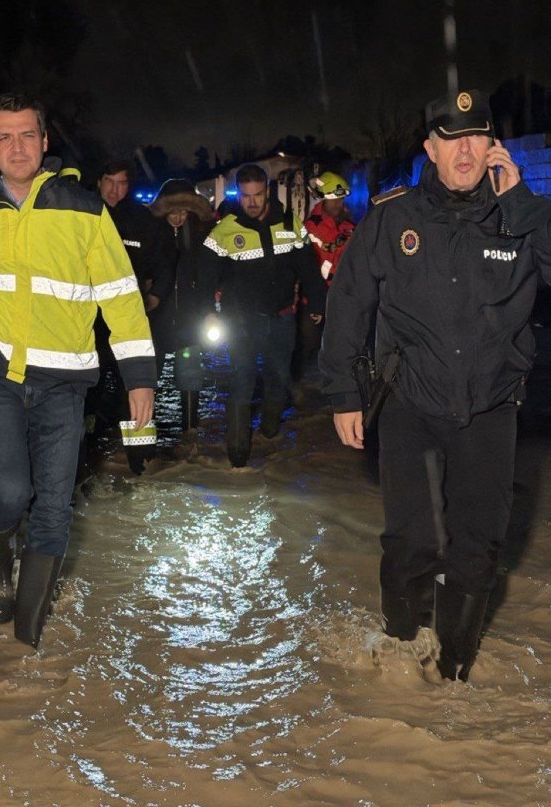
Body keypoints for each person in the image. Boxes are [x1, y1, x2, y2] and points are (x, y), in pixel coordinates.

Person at [319, 87, 551, 681]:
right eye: (452, 139)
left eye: (477, 137)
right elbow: (349, 303)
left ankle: (452, 676)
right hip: (412, 405)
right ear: (431, 148)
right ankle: (400, 647)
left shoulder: (522, 216)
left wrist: (523, 204)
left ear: (493, 146)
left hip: (492, 407)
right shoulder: (394, 217)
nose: (465, 150)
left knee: (477, 547)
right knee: (412, 540)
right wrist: (344, 393)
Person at [0, 93, 156, 649]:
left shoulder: (85, 210)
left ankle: (28, 642)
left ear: (45, 143)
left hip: (65, 378)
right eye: (5, 136)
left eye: (27, 135)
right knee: (9, 489)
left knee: (54, 501)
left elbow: (121, 297)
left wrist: (139, 375)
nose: (17, 146)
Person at [198, 163, 326, 467]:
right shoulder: (225, 230)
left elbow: (308, 267)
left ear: (267, 191)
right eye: (245, 196)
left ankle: (269, 433)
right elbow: (205, 276)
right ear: (237, 194)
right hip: (242, 323)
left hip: (282, 319)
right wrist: (207, 312)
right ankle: (238, 459)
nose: (252, 202)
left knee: (278, 380)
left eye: (257, 195)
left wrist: (318, 305)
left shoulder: (289, 223)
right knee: (241, 383)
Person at [84, 160, 175, 473]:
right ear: (98, 181)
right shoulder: (83, 214)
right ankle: (86, 457)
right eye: (109, 180)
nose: (114, 189)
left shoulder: (144, 221)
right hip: (88, 322)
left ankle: (140, 461)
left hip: (129, 321)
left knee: (134, 387)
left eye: (121, 182)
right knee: (88, 388)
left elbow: (165, 263)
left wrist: (155, 296)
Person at [148, 178, 216, 430]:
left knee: (190, 374)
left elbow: (208, 277)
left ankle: (190, 435)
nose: (177, 217)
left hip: (189, 319)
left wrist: (207, 311)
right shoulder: (151, 236)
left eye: (183, 212)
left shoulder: (200, 240)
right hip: (155, 319)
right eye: (173, 211)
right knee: (147, 378)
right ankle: (142, 444)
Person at [294, 171, 356, 376]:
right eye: (334, 199)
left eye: (341, 199)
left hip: (341, 297)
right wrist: (314, 300)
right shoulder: (311, 227)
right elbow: (306, 266)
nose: (338, 204)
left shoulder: (349, 227)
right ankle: (298, 389)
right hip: (314, 297)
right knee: (307, 346)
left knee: (339, 348)